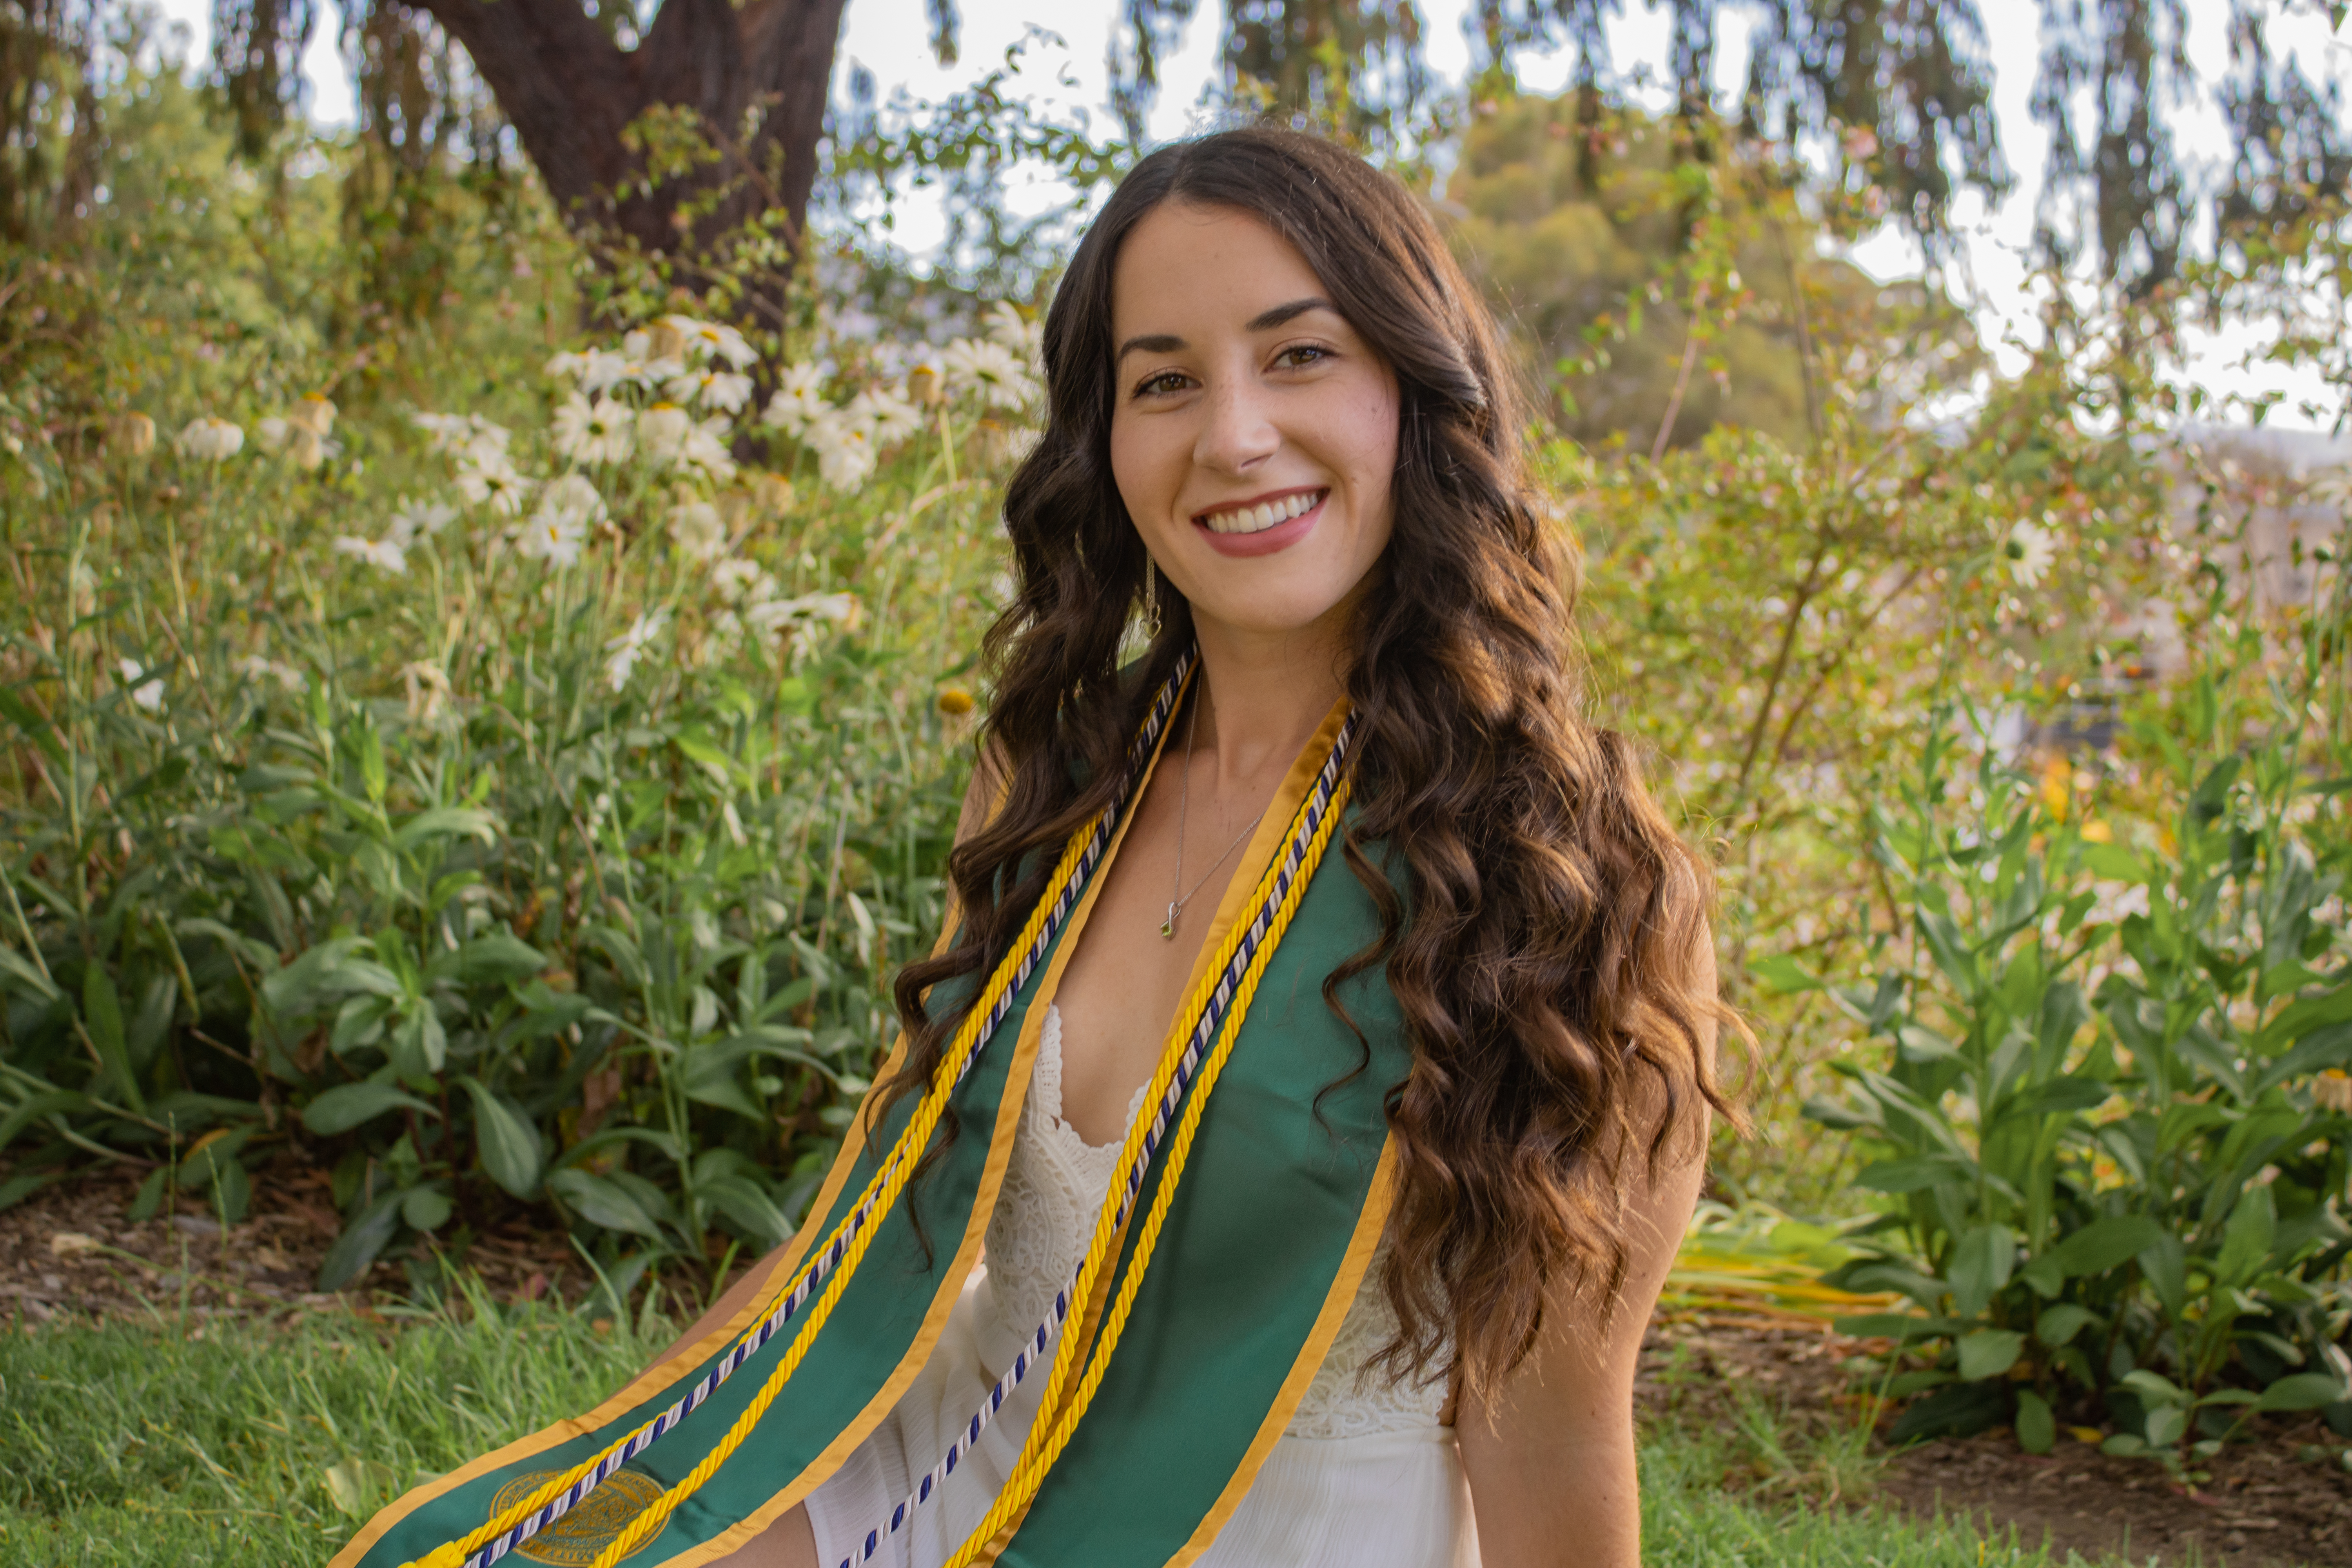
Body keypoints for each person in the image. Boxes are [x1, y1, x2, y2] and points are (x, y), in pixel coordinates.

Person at [336, 124, 1733, 1568]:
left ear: (1417, 392)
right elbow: (882, 1228)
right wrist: (643, 1470)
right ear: (1104, 439)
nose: (1233, 436)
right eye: (1166, 381)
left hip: (1271, 1530)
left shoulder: (1573, 886)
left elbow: (1557, 1431)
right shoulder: (1055, 780)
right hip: (954, 1457)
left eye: (1300, 354)